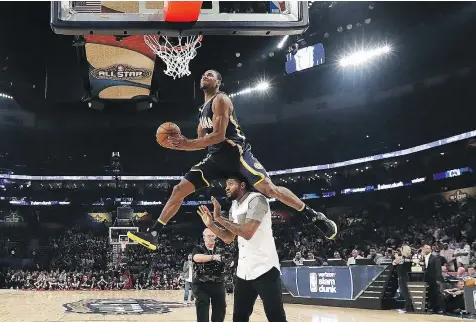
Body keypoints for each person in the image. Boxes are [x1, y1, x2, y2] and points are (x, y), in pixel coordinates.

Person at [128, 69, 337, 250]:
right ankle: (154, 233)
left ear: (218, 82)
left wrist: (186, 144)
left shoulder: (222, 99)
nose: (205, 76)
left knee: (270, 190)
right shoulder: (202, 112)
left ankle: (314, 216)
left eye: (210, 75)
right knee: (178, 190)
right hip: (216, 158)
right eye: (203, 75)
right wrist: (179, 143)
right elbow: (204, 141)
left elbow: (218, 136)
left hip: (237, 155)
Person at [197, 175, 309, 322]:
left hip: (265, 269)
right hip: (245, 271)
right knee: (239, 321)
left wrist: (219, 217)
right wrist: (212, 225)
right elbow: (229, 237)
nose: (226, 187)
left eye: (230, 183)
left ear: (242, 185)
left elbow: (247, 232)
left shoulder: (258, 201)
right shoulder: (235, 204)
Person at [192, 228, 227, 322]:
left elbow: (227, 260)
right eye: (209, 236)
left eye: (213, 236)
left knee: (220, 306)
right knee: (202, 305)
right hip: (201, 283)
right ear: (204, 237)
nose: (211, 238)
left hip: (217, 283)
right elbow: (196, 258)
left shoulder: (221, 250)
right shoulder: (198, 248)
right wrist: (213, 257)